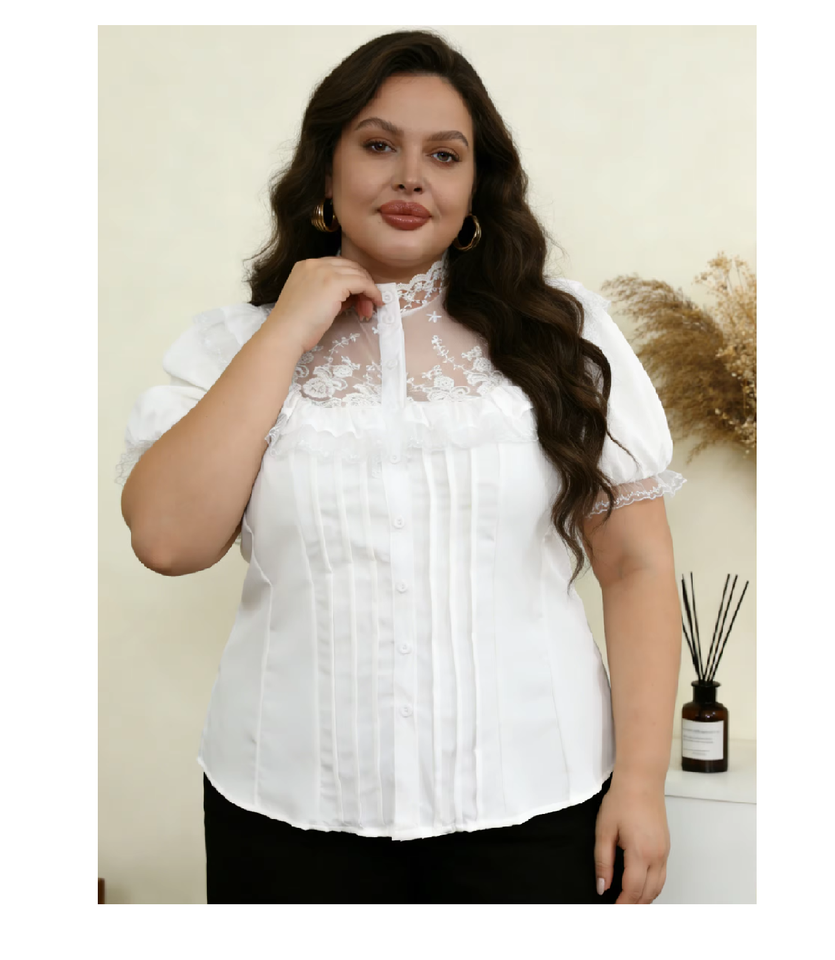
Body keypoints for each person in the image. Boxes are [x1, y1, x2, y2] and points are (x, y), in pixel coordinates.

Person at [116, 29, 686, 904]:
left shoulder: (562, 339)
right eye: (379, 145)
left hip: (536, 801)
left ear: (476, 187)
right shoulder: (229, 347)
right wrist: (285, 330)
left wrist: (640, 785)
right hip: (284, 811)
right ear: (325, 172)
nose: (411, 177)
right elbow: (166, 540)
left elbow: (636, 563)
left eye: (444, 155)